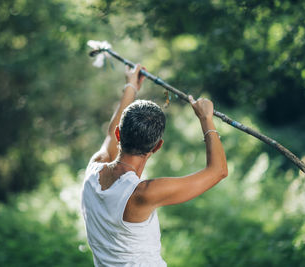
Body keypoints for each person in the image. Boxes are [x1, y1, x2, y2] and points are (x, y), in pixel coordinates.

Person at [81, 64, 228, 266]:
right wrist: (206, 119)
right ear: (157, 146)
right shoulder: (142, 194)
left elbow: (109, 135)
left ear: (119, 134)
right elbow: (218, 171)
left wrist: (130, 86)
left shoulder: (93, 170)